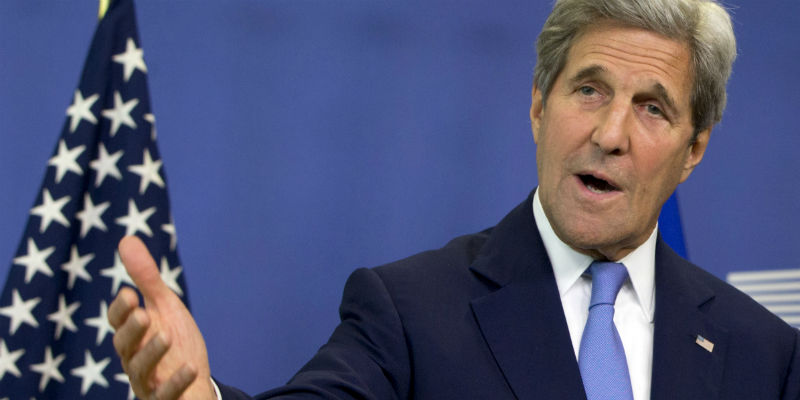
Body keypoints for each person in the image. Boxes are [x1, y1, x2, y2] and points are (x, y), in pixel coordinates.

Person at [109, 0, 800, 399]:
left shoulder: (764, 354)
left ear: (693, 148)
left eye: (652, 108)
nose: (610, 134)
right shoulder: (410, 311)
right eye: (589, 90)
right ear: (539, 105)